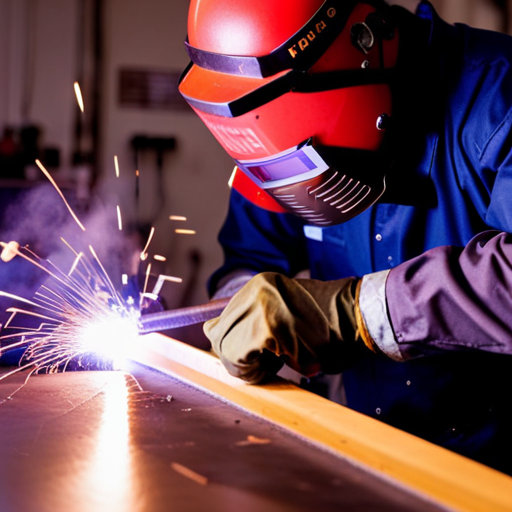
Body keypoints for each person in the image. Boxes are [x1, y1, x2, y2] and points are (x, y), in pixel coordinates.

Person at [178, 0, 512, 474]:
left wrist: (354, 311)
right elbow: (251, 251)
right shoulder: (266, 122)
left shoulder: (500, 96)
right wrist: (243, 313)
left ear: (364, 42)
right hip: (361, 456)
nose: (284, 176)